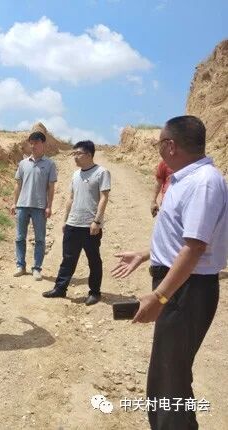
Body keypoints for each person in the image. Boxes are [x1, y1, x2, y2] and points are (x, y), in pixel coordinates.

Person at [112, 115, 228, 430]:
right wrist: (145, 253)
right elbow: (184, 237)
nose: (158, 148)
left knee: (170, 381)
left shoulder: (203, 182)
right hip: (182, 287)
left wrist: (160, 296)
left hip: (187, 290)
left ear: (171, 145)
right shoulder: (184, 179)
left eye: (159, 142)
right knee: (167, 376)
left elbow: (194, 248)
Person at [43, 140, 110, 306]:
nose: (75, 157)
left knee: (93, 260)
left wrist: (97, 221)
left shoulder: (102, 172)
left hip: (90, 226)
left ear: (89, 154)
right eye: (74, 153)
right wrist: (65, 220)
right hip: (73, 224)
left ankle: (95, 292)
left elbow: (104, 198)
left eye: (78, 153)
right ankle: (60, 288)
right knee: (68, 259)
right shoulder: (75, 174)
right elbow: (71, 198)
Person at [10, 131, 57, 281]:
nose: (33, 145)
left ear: (43, 144)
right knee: (19, 237)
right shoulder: (23, 163)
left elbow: (51, 187)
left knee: (40, 239)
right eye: (31, 143)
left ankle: (37, 268)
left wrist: (49, 206)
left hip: (40, 207)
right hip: (22, 206)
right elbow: (18, 185)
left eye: (36, 142)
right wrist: (14, 203)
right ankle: (20, 266)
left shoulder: (50, 164)